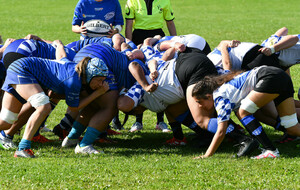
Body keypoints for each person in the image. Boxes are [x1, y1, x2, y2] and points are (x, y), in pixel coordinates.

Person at [0, 40, 109, 157]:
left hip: (18, 68)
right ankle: (23, 148)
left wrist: (60, 44)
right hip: (22, 70)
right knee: (43, 107)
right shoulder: (74, 81)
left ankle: (21, 147)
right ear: (89, 76)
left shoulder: (75, 68)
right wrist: (98, 93)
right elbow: (74, 107)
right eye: (99, 80)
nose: (101, 84)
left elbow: (62, 58)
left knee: (6, 121)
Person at [61, 43, 153, 154]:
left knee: (93, 105)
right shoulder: (138, 66)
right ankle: (84, 145)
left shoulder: (123, 55)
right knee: (110, 107)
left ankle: (71, 138)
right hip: (97, 62)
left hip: (80, 59)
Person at [192, 66, 300, 159]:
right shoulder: (224, 89)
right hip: (280, 75)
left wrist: (207, 155)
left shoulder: (219, 97)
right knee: (291, 126)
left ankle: (270, 150)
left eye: (200, 102)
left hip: (269, 76)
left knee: (243, 112)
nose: (200, 106)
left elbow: (221, 131)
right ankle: (269, 149)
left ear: (208, 96)